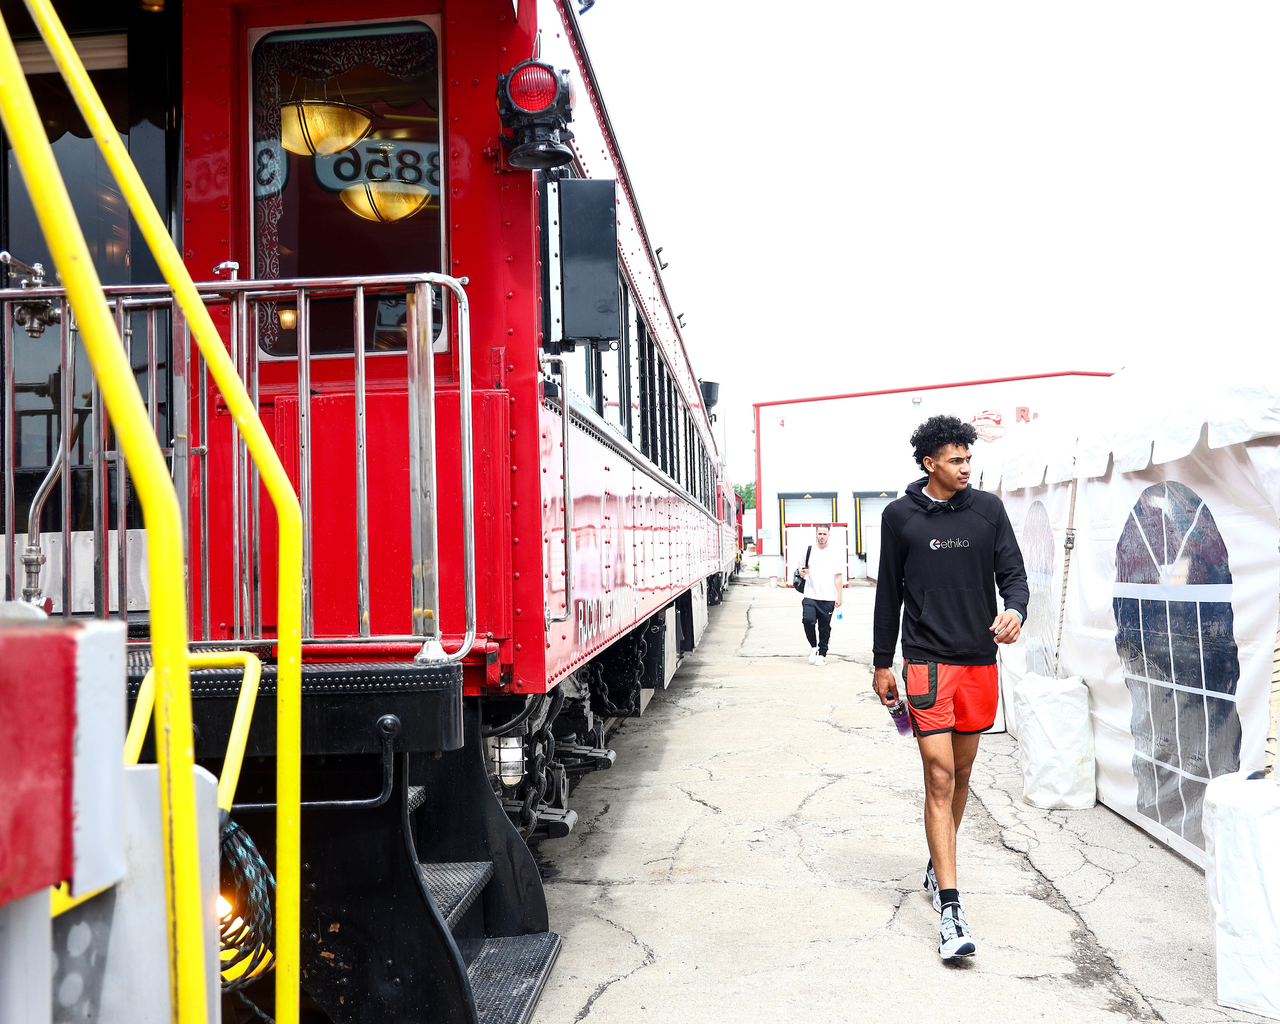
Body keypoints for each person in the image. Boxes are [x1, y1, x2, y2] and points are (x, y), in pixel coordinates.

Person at [871, 414, 1028, 961]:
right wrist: (880, 662)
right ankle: (952, 911)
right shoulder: (899, 517)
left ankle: (940, 866)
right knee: (937, 774)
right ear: (929, 463)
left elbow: (1013, 573)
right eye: (957, 460)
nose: (967, 467)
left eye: (969, 459)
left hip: (979, 663)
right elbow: (888, 591)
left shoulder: (989, 511)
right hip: (926, 663)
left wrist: (1015, 610)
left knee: (961, 774)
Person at [798, 524, 844, 666]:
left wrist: (839, 596)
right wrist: (801, 571)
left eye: (824, 534)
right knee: (808, 621)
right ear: (816, 534)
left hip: (828, 597)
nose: (822, 536)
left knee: (824, 627)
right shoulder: (809, 550)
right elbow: (801, 566)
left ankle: (822, 654)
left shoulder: (834, 552)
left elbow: (838, 577)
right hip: (810, 594)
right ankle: (813, 646)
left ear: (829, 535)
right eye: (820, 534)